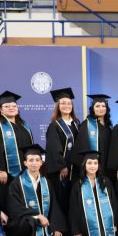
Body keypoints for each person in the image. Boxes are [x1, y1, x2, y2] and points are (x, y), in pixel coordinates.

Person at [6, 144, 69, 236]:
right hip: (26, 224)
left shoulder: (46, 182)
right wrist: (37, 216)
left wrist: (56, 227)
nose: (34, 163)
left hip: (45, 225)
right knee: (28, 222)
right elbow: (15, 208)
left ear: (41, 162)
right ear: (25, 163)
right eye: (31, 160)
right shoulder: (17, 183)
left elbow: (54, 206)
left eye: (37, 160)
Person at [0, 91, 34, 211]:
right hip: (6, 173)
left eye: (14, 106)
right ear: (1, 110)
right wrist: (0, 169)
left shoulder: (24, 125)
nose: (11, 108)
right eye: (7, 106)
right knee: (6, 200)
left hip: (24, 170)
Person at [69, 149, 118, 236]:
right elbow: (74, 210)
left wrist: (115, 223)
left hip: (107, 229)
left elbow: (113, 204)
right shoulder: (78, 185)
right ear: (84, 165)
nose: (93, 166)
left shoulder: (105, 182)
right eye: (89, 163)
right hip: (87, 232)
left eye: (95, 163)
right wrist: (76, 231)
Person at [45, 87, 80, 218]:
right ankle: (61, 226)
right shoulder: (54, 125)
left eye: (69, 103)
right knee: (62, 199)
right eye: (63, 103)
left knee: (73, 200)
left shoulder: (76, 124)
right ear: (58, 106)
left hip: (74, 170)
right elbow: (54, 149)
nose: (66, 106)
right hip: (62, 171)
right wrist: (62, 166)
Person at [73, 93, 112, 169]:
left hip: (107, 167)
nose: (101, 108)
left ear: (106, 108)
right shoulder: (86, 125)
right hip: (92, 168)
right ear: (93, 108)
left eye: (103, 106)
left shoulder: (109, 126)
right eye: (97, 106)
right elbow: (80, 148)